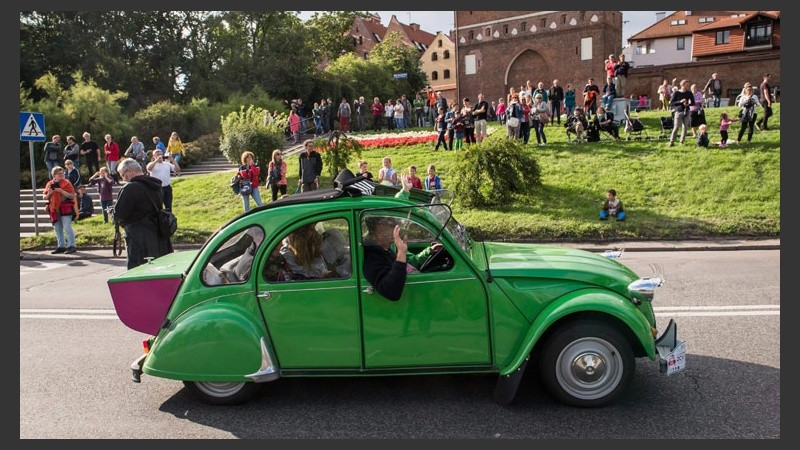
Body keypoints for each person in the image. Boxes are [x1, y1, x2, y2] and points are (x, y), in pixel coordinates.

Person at [361, 174, 443, 301]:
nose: (394, 225)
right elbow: (391, 291)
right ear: (377, 230)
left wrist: (429, 251)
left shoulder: (388, 245)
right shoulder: (372, 256)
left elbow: (411, 263)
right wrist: (401, 253)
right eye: (388, 223)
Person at [113, 158, 173, 269]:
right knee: (158, 269)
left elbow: (119, 214)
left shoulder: (130, 188)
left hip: (138, 236)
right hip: (158, 232)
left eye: (122, 174)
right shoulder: (156, 185)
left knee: (139, 270)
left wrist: (112, 213)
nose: (122, 178)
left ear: (130, 171)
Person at [43, 166, 77, 254]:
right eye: (59, 173)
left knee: (67, 227)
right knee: (57, 228)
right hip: (54, 208)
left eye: (62, 173)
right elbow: (45, 197)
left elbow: (71, 196)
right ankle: (61, 246)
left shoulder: (67, 183)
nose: (62, 175)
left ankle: (71, 245)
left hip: (65, 207)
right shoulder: (49, 184)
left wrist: (61, 191)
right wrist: (49, 194)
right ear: (54, 175)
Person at [668, 79, 695, 147]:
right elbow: (671, 103)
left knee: (685, 127)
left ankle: (681, 142)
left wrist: (688, 104)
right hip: (678, 111)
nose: (687, 85)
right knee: (676, 127)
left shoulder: (689, 93)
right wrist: (680, 101)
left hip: (687, 111)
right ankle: (671, 142)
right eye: (686, 84)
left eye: (688, 84)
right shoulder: (676, 93)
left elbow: (693, 102)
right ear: (682, 85)